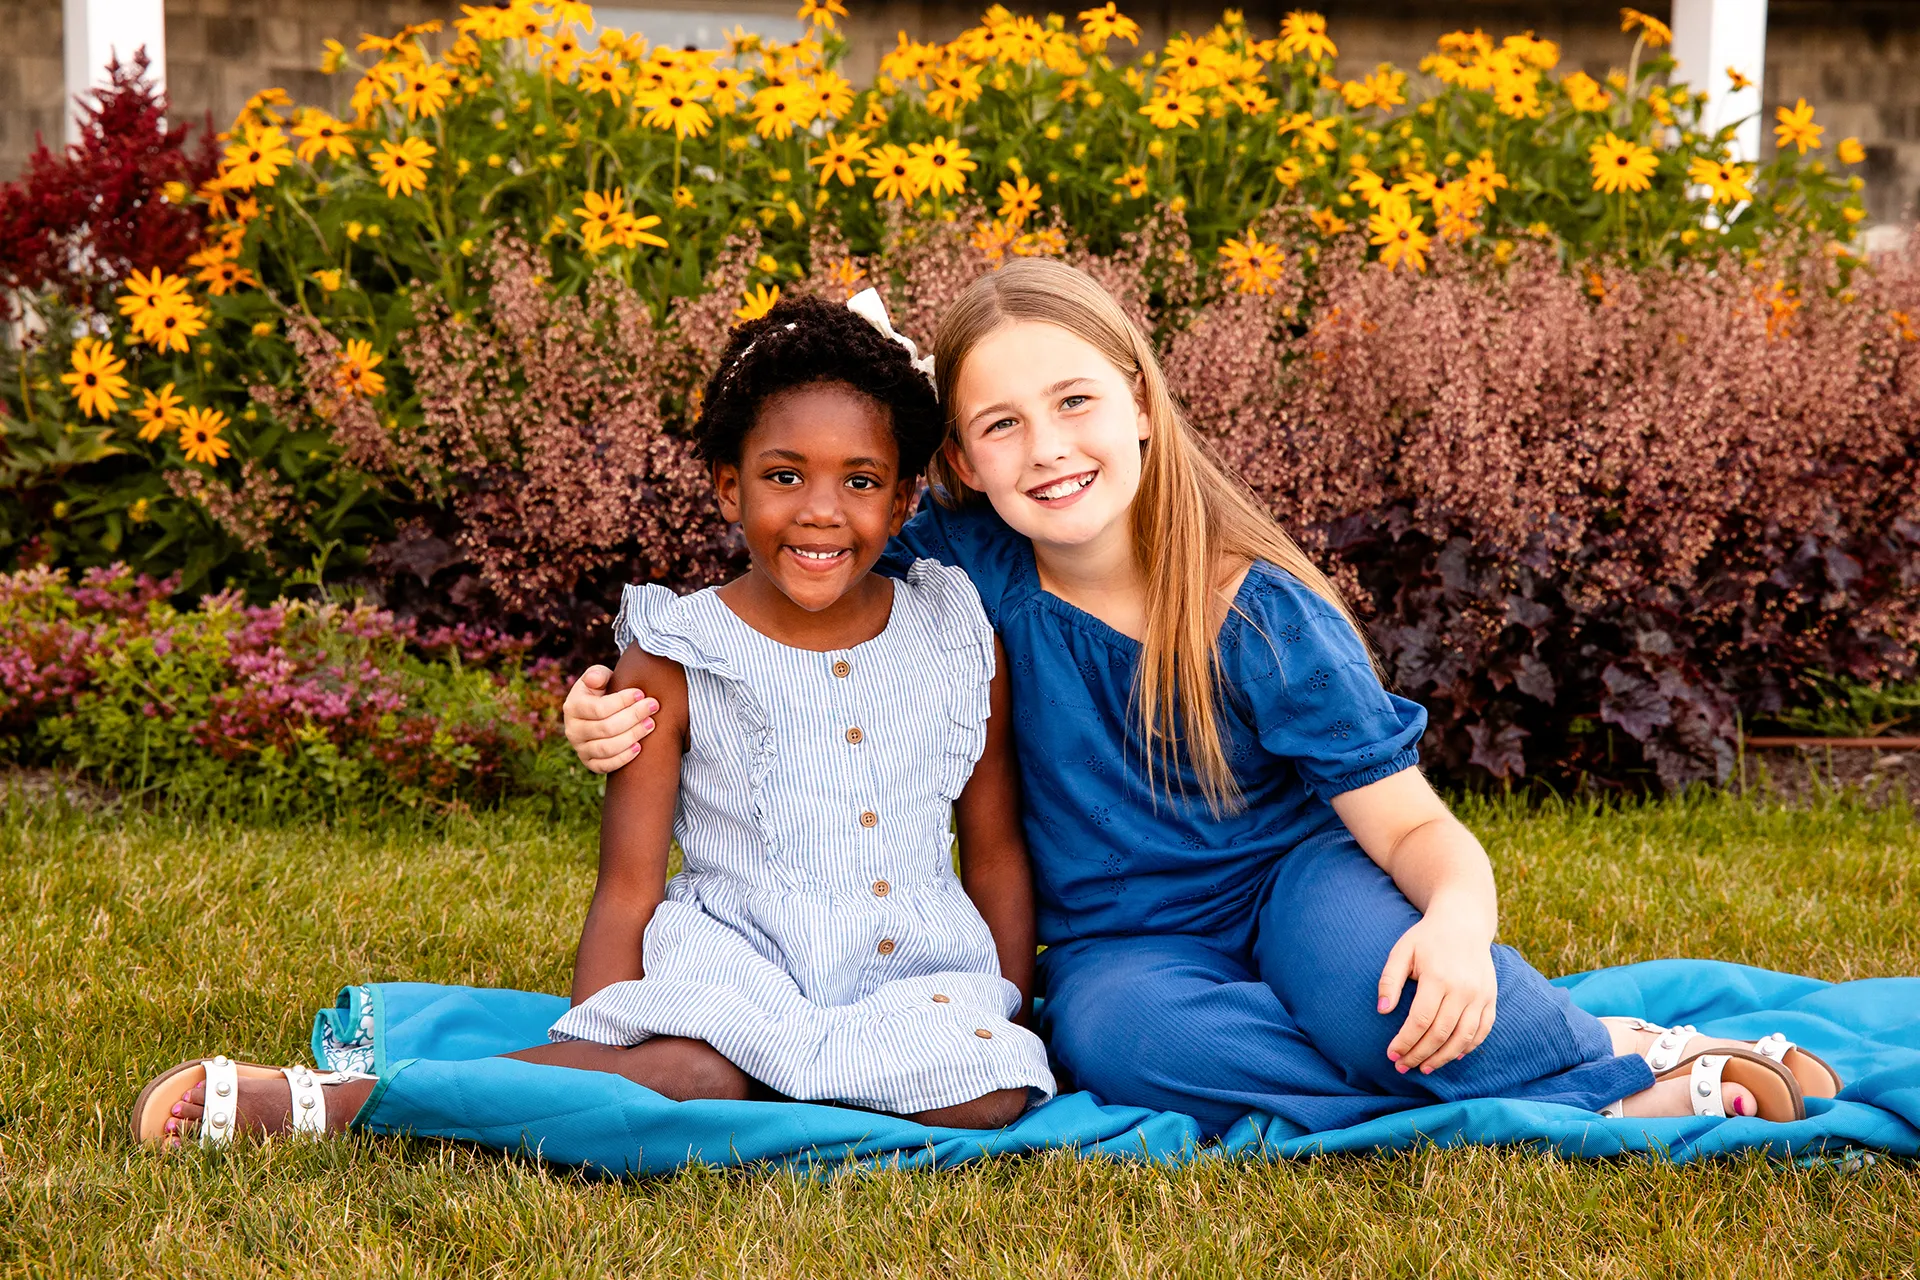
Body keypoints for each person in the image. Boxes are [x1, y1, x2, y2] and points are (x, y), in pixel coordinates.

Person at [561, 259, 1840, 1135]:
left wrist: (1455, 920)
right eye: (999, 425)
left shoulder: (1254, 611)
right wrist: (608, 705)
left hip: (1295, 883)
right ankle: (1557, 1080)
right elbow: (802, 528)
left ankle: (1620, 1065)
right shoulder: (968, 563)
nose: (1047, 447)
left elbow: (1409, 829)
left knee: (1382, 997)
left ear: (1142, 407)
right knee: (1121, 1047)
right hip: (1128, 941)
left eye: (1074, 402)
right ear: (956, 462)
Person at [132, 292, 1055, 1149]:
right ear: (729, 488)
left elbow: (995, 849)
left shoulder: (955, 634)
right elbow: (628, 882)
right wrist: (604, 1052)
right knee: (686, 1071)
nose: (821, 510)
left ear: (902, 501)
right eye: (783, 475)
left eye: (860, 482)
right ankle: (339, 1103)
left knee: (985, 1093)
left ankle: (777, 1084)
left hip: (906, 979)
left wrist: (999, 1009)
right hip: (740, 966)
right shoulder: (675, 652)